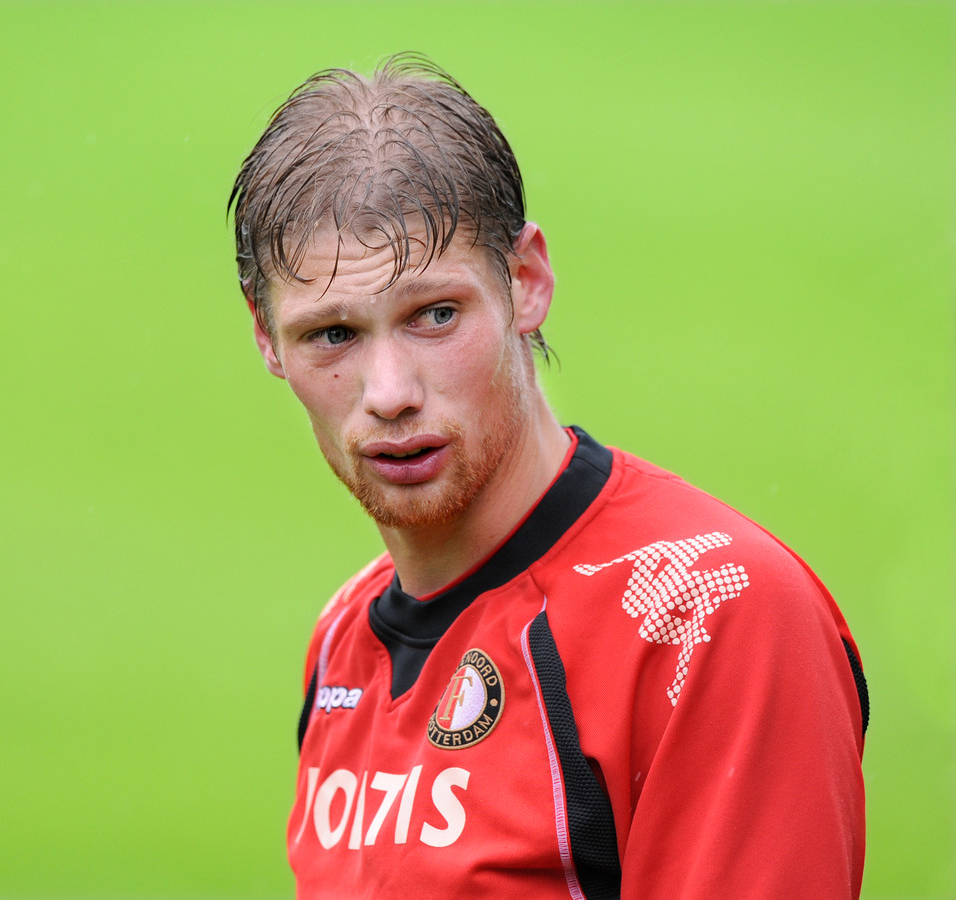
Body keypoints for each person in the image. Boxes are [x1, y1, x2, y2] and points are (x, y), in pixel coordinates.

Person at [228, 54, 868, 899]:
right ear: (267, 340)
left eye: (435, 315)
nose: (388, 395)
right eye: (332, 335)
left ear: (526, 281)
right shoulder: (345, 637)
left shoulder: (711, 616)